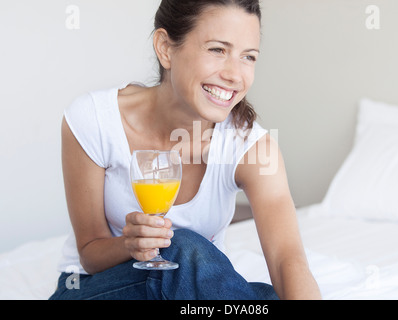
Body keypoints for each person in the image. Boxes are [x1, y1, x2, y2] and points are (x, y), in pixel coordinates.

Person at [49, 0, 321, 300]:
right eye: (218, 50)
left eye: (248, 57)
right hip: (93, 288)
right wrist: (130, 245)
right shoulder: (94, 119)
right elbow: (89, 254)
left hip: (189, 294)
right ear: (166, 48)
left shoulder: (251, 147)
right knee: (182, 248)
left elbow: (287, 259)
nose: (234, 74)